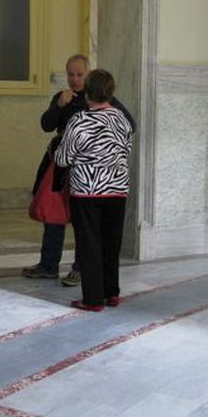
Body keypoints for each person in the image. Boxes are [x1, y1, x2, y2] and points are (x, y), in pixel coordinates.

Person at [22, 55, 135, 286]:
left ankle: (80, 268)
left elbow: (130, 124)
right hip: (59, 165)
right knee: (54, 213)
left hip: (86, 171)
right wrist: (59, 106)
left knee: (83, 220)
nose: (74, 79)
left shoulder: (102, 98)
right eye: (71, 74)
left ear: (88, 74)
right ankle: (48, 265)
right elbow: (46, 125)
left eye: (79, 74)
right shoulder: (62, 97)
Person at [54, 69, 134, 312]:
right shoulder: (122, 119)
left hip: (87, 191)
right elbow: (126, 151)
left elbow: (63, 158)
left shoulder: (79, 120)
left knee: (89, 245)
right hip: (117, 190)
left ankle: (93, 299)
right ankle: (112, 293)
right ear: (110, 91)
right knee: (112, 243)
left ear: (88, 92)